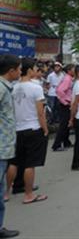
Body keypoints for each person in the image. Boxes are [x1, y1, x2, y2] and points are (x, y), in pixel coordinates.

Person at [4, 58, 49, 204]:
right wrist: (45, 128)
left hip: (17, 129)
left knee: (14, 162)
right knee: (30, 163)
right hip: (33, 128)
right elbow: (40, 112)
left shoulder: (13, 87)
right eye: (35, 68)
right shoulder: (36, 88)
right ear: (29, 70)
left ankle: (5, 193)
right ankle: (28, 194)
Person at [0, 55, 21, 238]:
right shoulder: (0, 88)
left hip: (5, 147)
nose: (20, 72)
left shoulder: (7, 88)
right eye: (19, 69)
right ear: (11, 70)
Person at [52, 64, 75, 151]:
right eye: (73, 69)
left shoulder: (68, 78)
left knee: (67, 124)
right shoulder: (67, 79)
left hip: (65, 103)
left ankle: (66, 142)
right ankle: (56, 145)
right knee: (64, 124)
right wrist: (65, 101)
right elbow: (59, 90)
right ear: (69, 70)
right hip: (64, 104)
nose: (74, 71)